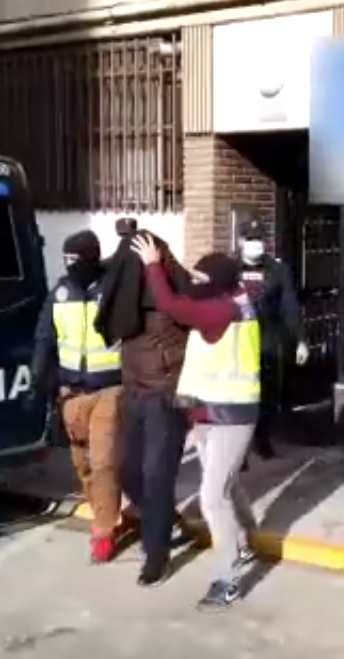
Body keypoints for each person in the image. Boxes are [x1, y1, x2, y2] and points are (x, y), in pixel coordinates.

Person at [130, 234, 259, 611]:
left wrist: (154, 265)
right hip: (209, 412)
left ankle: (226, 580)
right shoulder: (228, 300)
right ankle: (245, 541)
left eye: (202, 280)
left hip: (230, 415)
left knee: (211, 497)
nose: (196, 284)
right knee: (226, 485)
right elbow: (186, 294)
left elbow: (171, 305)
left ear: (218, 282)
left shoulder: (220, 310)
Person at [93, 218, 195, 586]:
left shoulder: (174, 295)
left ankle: (157, 556)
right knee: (126, 470)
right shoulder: (125, 301)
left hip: (166, 398)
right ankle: (165, 521)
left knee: (156, 476)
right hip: (133, 395)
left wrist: (158, 265)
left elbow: (194, 305)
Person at [31, 230, 124, 563]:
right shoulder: (60, 292)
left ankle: (104, 530)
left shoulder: (111, 289)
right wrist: (40, 378)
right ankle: (105, 509)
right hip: (71, 392)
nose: (70, 265)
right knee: (82, 464)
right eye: (66, 259)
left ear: (91, 257)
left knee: (103, 462)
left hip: (110, 389)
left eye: (75, 259)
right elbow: (45, 337)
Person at [234, 219, 308, 459]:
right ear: (240, 241)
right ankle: (239, 447)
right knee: (239, 391)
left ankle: (261, 437)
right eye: (250, 239)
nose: (255, 244)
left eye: (259, 239)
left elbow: (289, 307)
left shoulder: (278, 270)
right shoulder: (229, 268)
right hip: (236, 339)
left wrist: (301, 339)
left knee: (266, 391)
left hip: (267, 337)